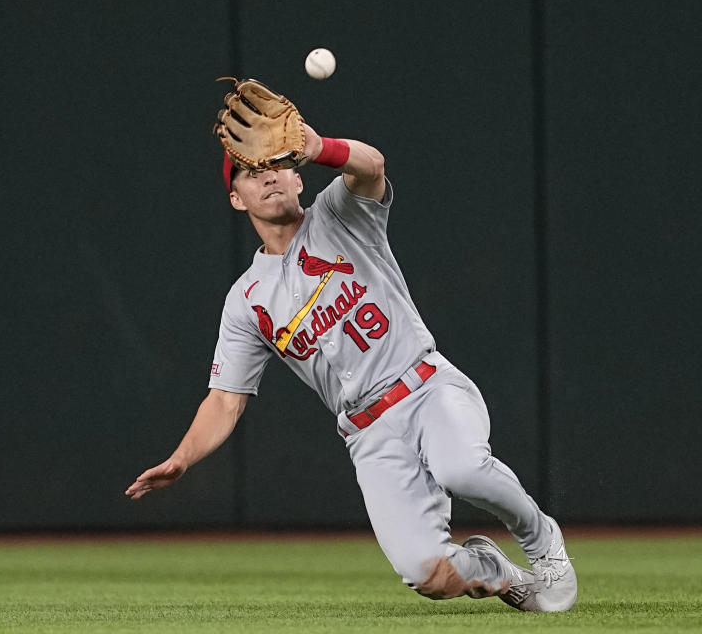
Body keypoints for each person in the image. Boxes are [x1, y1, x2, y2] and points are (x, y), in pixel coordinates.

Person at [125, 121, 577, 612]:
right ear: (237, 199)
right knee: (427, 574)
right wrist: (183, 458)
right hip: (368, 433)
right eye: (253, 172)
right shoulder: (246, 301)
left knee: (462, 468)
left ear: (299, 178)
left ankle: (542, 543)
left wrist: (320, 147)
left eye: (278, 164)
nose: (270, 176)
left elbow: (372, 167)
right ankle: (496, 570)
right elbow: (225, 399)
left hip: (425, 386)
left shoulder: (338, 215)